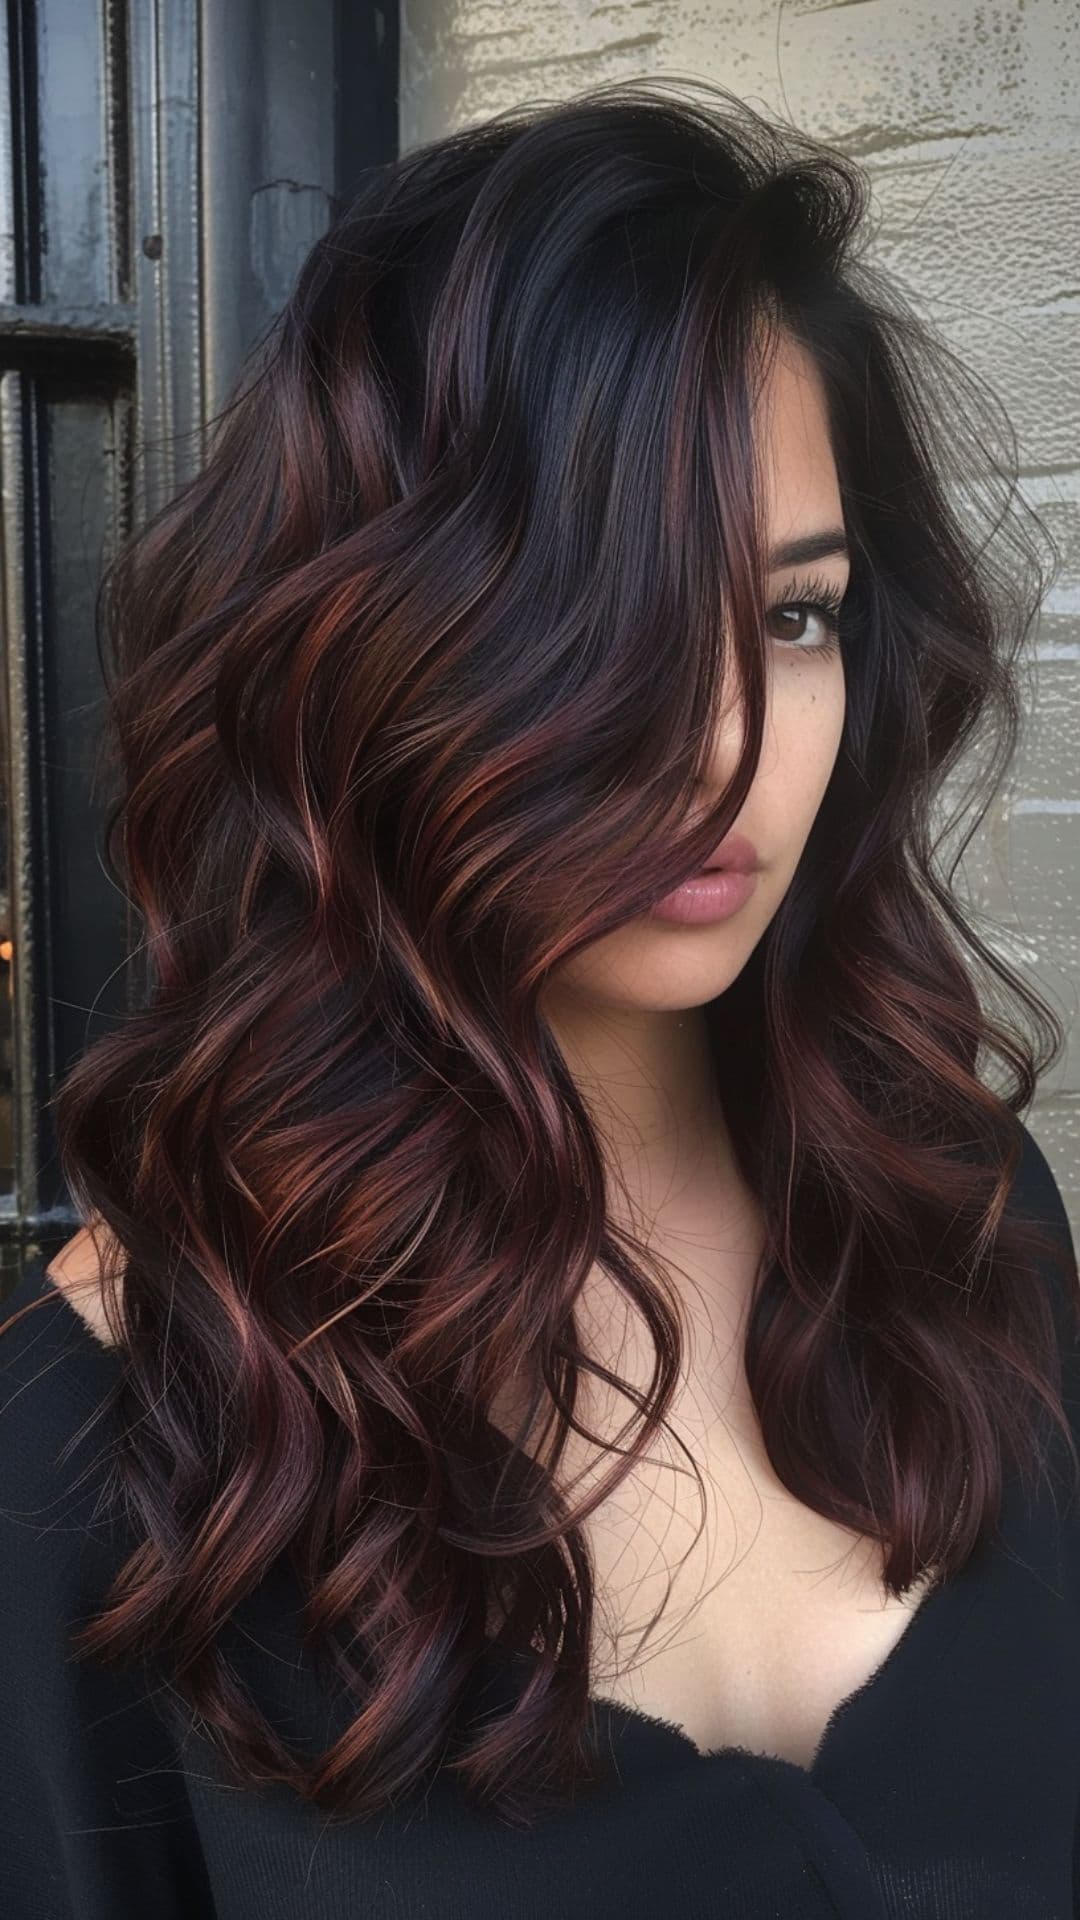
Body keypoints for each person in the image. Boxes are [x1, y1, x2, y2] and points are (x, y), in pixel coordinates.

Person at [1, 76, 1077, 1919]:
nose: (730, 741)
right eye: (613, 619)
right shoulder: (103, 1446)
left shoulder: (965, 1225)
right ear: (381, 650)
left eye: (795, 615)